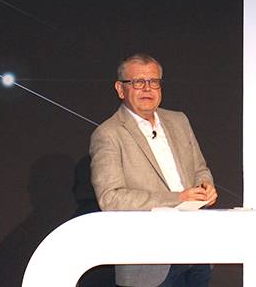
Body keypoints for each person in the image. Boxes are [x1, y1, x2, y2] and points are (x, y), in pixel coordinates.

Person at [89, 53, 217, 287]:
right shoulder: (109, 134)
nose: (147, 88)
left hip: (196, 250)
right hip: (150, 263)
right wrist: (177, 198)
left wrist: (205, 188)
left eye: (154, 82)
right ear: (120, 89)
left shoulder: (179, 121)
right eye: (138, 82)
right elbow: (111, 198)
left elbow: (200, 169)